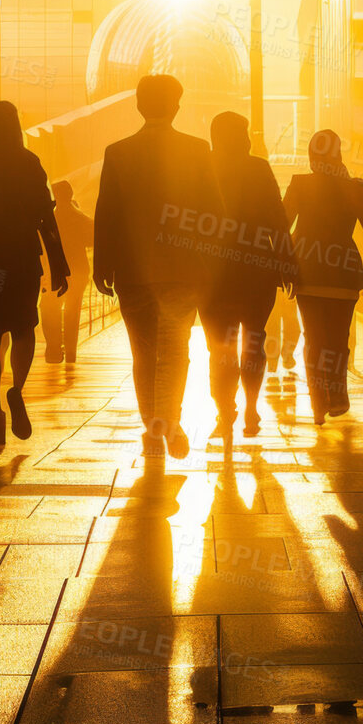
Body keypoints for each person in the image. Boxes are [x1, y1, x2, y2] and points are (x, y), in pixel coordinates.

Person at [93, 74, 223, 457]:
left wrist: (104, 266)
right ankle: (170, 419)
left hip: (133, 272)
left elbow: (107, 214)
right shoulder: (197, 150)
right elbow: (215, 212)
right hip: (183, 269)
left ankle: (153, 425)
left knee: (143, 352)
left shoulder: (118, 152)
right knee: (176, 348)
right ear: (176, 106)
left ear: (138, 105)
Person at [0, 101, 69, 447]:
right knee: (23, 328)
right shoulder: (27, 162)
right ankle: (16, 390)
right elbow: (44, 216)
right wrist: (58, 262)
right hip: (21, 258)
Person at [284, 130, 363, 425]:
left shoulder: (300, 184)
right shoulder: (355, 187)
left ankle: (318, 404)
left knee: (313, 338)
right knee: (338, 339)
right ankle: (338, 396)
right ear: (339, 153)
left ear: (311, 155)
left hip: (308, 273)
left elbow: (281, 223)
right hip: (344, 273)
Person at [203, 112, 291, 438]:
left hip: (213, 276)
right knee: (254, 341)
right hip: (257, 270)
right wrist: (287, 264)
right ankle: (251, 408)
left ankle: (225, 411)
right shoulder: (258, 168)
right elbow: (278, 219)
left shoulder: (204, 166)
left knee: (219, 348)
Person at [41, 181, 93, 365]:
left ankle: (54, 348)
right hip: (78, 271)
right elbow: (93, 239)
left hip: (54, 272)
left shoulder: (48, 220)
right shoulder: (80, 217)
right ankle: (71, 350)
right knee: (73, 310)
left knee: (49, 308)